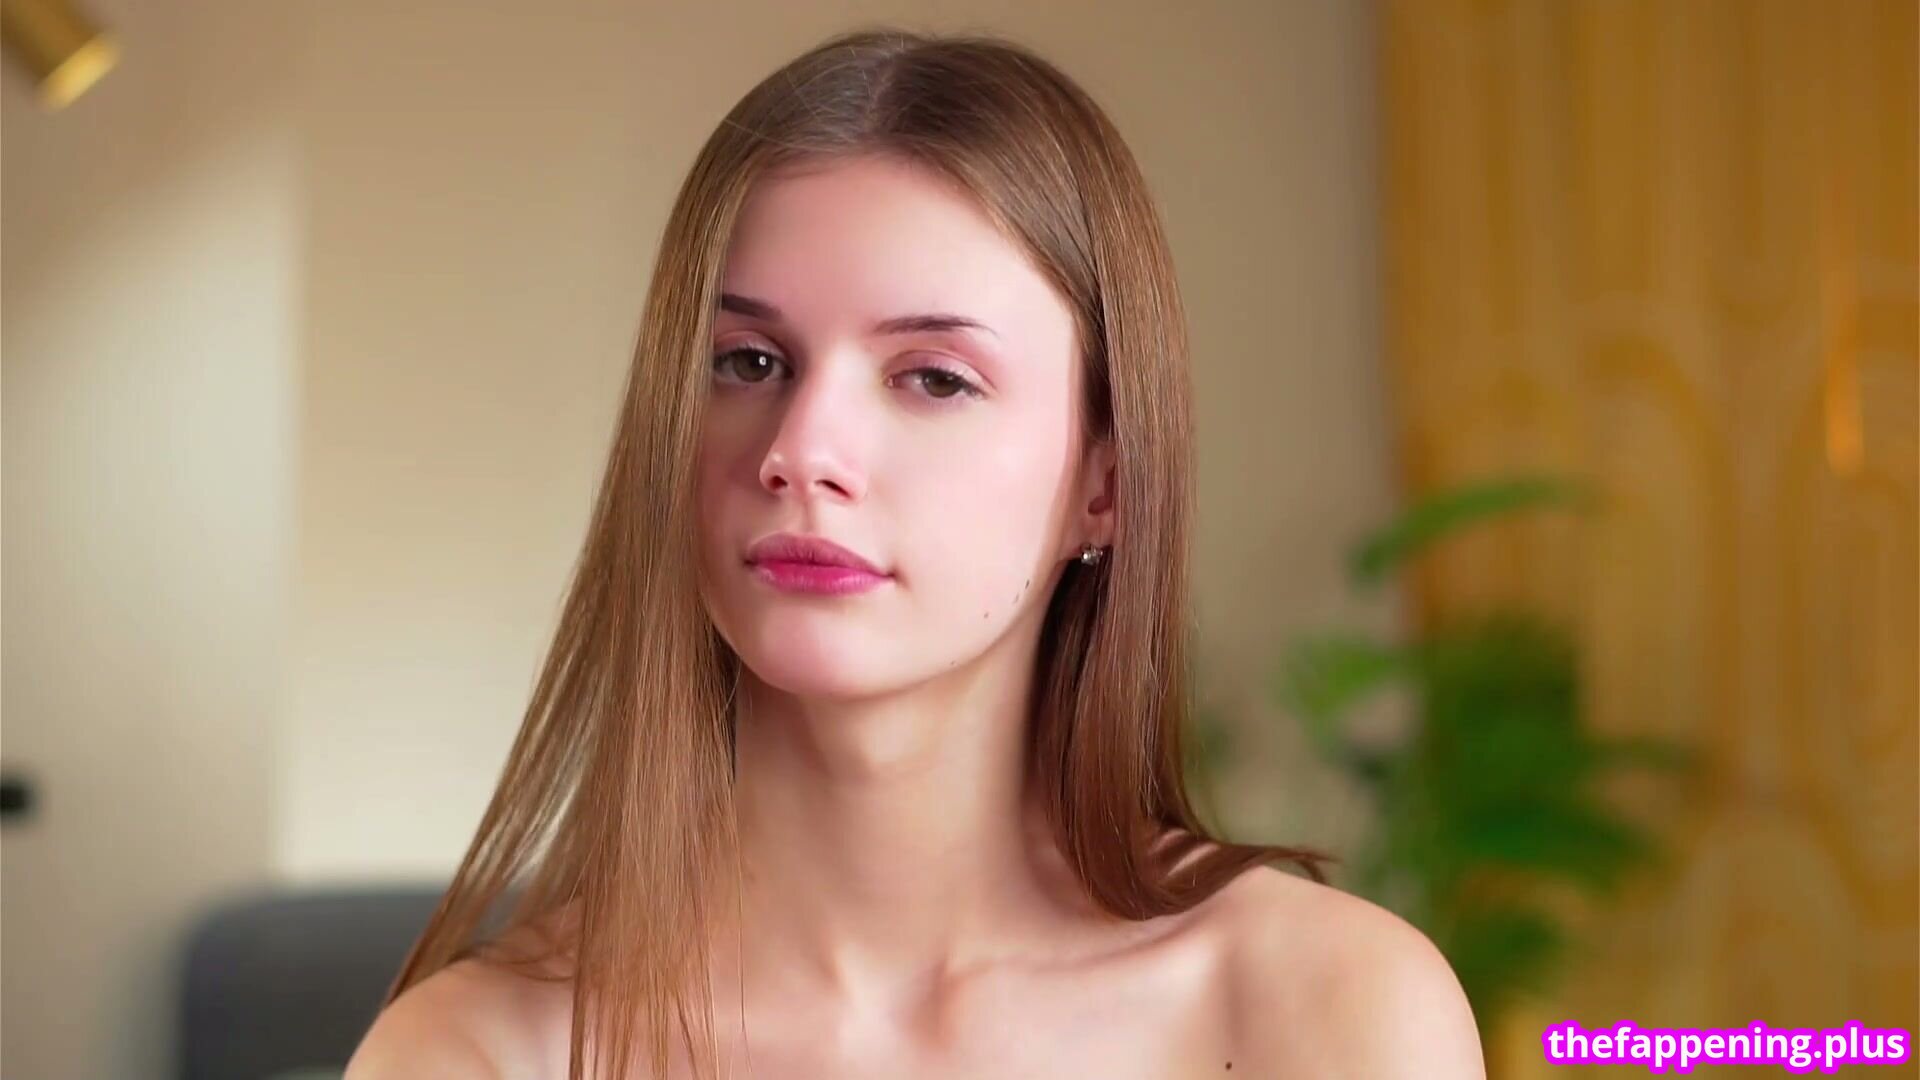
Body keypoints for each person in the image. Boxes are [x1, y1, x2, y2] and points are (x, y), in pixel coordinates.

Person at [345, 25, 1484, 1080]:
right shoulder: (473, 1052)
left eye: (934, 378)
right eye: (747, 362)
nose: (801, 452)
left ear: (1105, 486)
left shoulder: (1330, 1010)